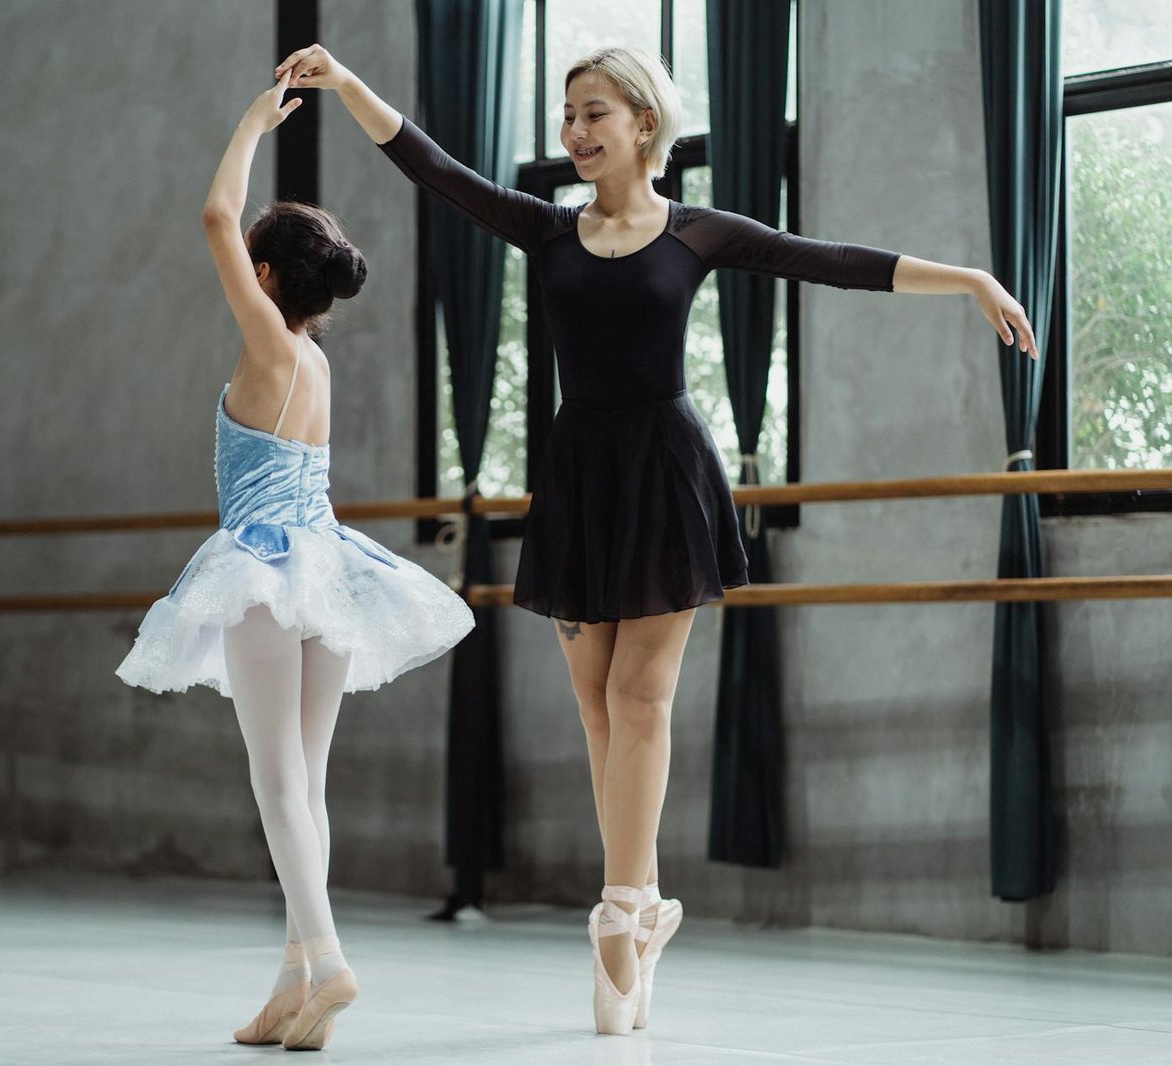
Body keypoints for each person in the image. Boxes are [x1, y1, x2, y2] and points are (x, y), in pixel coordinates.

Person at [273, 42, 1037, 1036]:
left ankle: (620, 911)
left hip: (668, 476)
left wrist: (968, 277)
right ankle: (644, 905)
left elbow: (831, 261)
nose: (575, 132)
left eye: (594, 113)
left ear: (643, 123)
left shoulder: (698, 232)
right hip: (577, 479)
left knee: (640, 697)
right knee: (598, 709)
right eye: (566, 115)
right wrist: (344, 86)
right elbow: (432, 167)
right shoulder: (546, 232)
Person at [115, 72, 475, 1051]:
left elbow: (212, 213)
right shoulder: (315, 363)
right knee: (304, 786)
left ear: (267, 280)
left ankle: (327, 956)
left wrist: (248, 121)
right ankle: (289, 986)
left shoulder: (269, 348)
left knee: (274, 781)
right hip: (330, 573)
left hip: (265, 572)